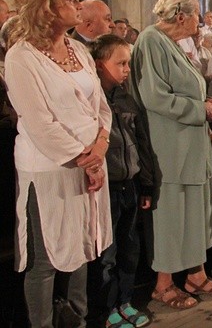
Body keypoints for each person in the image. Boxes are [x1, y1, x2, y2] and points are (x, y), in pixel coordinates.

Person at [5, 0, 112, 327]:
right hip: (50, 167)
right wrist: (87, 160)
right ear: (46, 7)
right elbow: (39, 123)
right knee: (46, 258)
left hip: (90, 162)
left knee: (82, 247)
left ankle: (78, 319)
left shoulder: (78, 49)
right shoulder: (22, 57)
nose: (77, 6)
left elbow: (101, 107)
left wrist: (101, 146)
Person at [130, 0, 212, 310]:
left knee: (195, 213)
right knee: (172, 216)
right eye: (197, 14)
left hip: (189, 146)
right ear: (181, 16)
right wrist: (200, 110)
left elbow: (186, 88)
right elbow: (155, 97)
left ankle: (196, 275)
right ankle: (163, 285)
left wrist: (204, 102)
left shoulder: (174, 45)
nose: (200, 20)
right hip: (170, 148)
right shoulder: (150, 41)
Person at [87, 34, 155, 328]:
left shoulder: (127, 98)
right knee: (108, 252)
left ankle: (125, 302)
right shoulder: (92, 100)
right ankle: (107, 309)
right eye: (121, 63)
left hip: (131, 183)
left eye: (129, 63)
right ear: (100, 65)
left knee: (130, 247)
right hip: (108, 187)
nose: (127, 69)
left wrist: (147, 183)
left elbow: (141, 143)